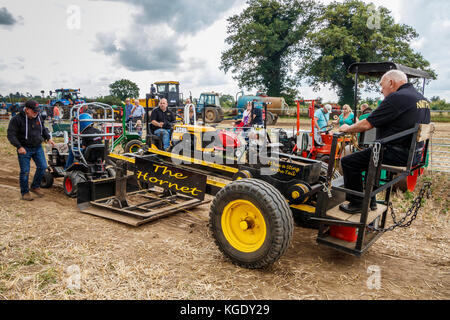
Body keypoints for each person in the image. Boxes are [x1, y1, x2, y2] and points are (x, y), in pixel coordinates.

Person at [338, 70, 431, 214]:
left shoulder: (397, 97)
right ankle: (371, 201)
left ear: (391, 83)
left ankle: (357, 204)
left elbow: (367, 124)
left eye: (382, 85)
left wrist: (347, 128)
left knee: (348, 162)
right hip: (415, 155)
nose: (381, 90)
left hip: (396, 153)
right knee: (369, 160)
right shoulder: (421, 98)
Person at [7, 100, 55, 201]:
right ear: (27, 110)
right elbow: (11, 135)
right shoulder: (17, 119)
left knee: (42, 167)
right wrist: (19, 146)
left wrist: (48, 138)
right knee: (25, 171)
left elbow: (43, 129)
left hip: (37, 147)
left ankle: (35, 186)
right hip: (24, 148)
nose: (36, 113)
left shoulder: (38, 117)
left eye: (37, 111)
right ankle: (25, 192)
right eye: (34, 111)